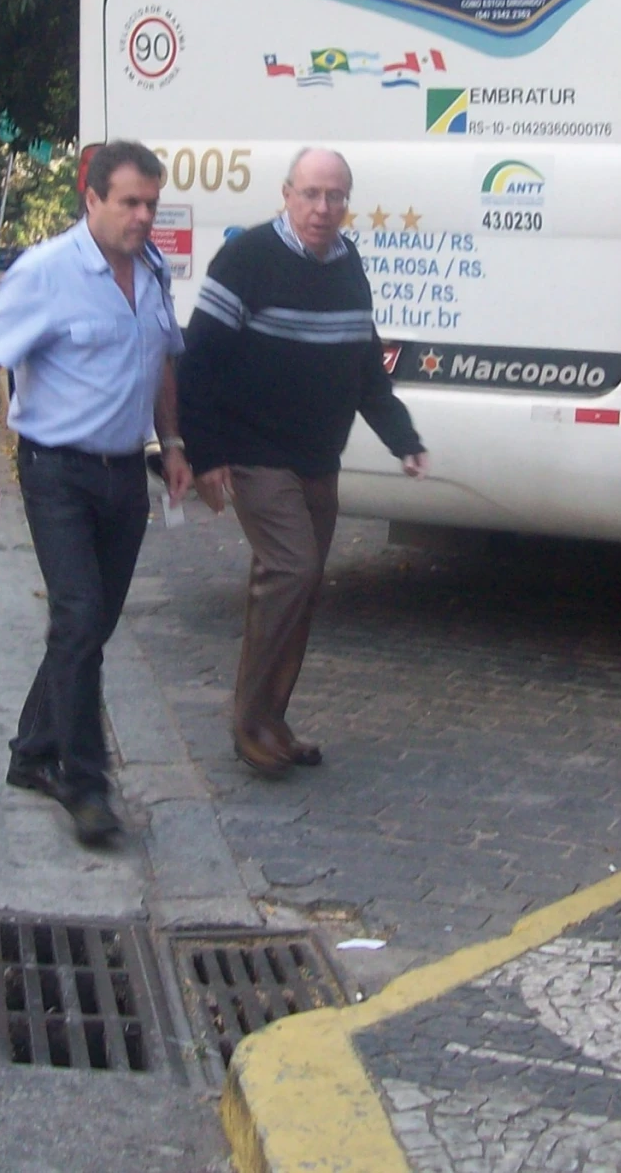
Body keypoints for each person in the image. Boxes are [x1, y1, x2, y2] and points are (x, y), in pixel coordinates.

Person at [0, 142, 193, 846]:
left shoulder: (151, 272)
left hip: (123, 472)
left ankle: (32, 752)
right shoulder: (46, 273)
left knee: (89, 625)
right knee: (80, 614)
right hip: (56, 469)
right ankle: (83, 780)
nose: (143, 215)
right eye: (129, 202)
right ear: (90, 198)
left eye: (151, 203)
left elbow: (158, 362)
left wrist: (173, 443)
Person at [178, 148, 427, 777]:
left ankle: (272, 719)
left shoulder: (350, 268)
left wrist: (402, 437)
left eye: (335, 196)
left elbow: (365, 366)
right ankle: (249, 723)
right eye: (311, 194)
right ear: (286, 193)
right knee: (292, 567)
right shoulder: (248, 259)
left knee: (304, 585)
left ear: (347, 202)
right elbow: (199, 360)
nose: (322, 208)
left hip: (319, 456)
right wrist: (203, 454)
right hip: (255, 451)